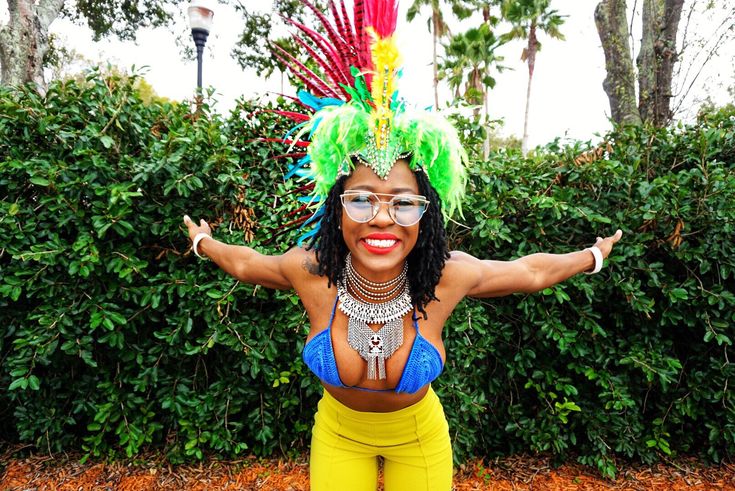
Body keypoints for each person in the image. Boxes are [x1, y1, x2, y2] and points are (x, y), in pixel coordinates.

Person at [183, 2, 622, 489]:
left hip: (418, 438)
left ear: (425, 214)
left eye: (404, 204)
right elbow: (246, 263)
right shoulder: (311, 271)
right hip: (338, 436)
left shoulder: (445, 276)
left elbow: (530, 273)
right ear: (337, 208)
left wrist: (593, 255)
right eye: (362, 200)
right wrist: (203, 241)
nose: (383, 218)